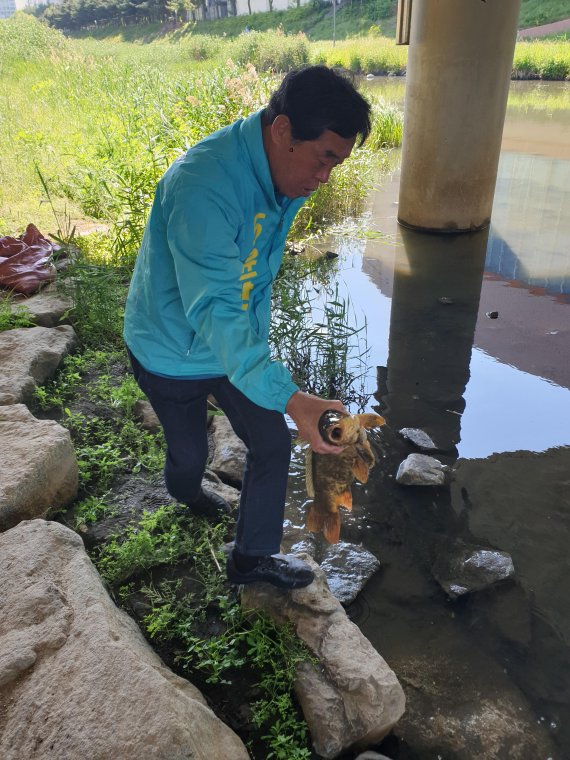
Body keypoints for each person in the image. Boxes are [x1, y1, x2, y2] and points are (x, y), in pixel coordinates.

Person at [124, 65, 372, 590]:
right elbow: (213, 304)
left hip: (236, 351)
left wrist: (273, 384)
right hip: (170, 349)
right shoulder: (202, 185)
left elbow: (250, 277)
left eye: (338, 162)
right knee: (189, 459)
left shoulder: (286, 175)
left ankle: (250, 559)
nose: (325, 176)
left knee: (272, 442)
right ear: (282, 130)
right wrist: (289, 394)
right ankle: (188, 492)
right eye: (324, 157)